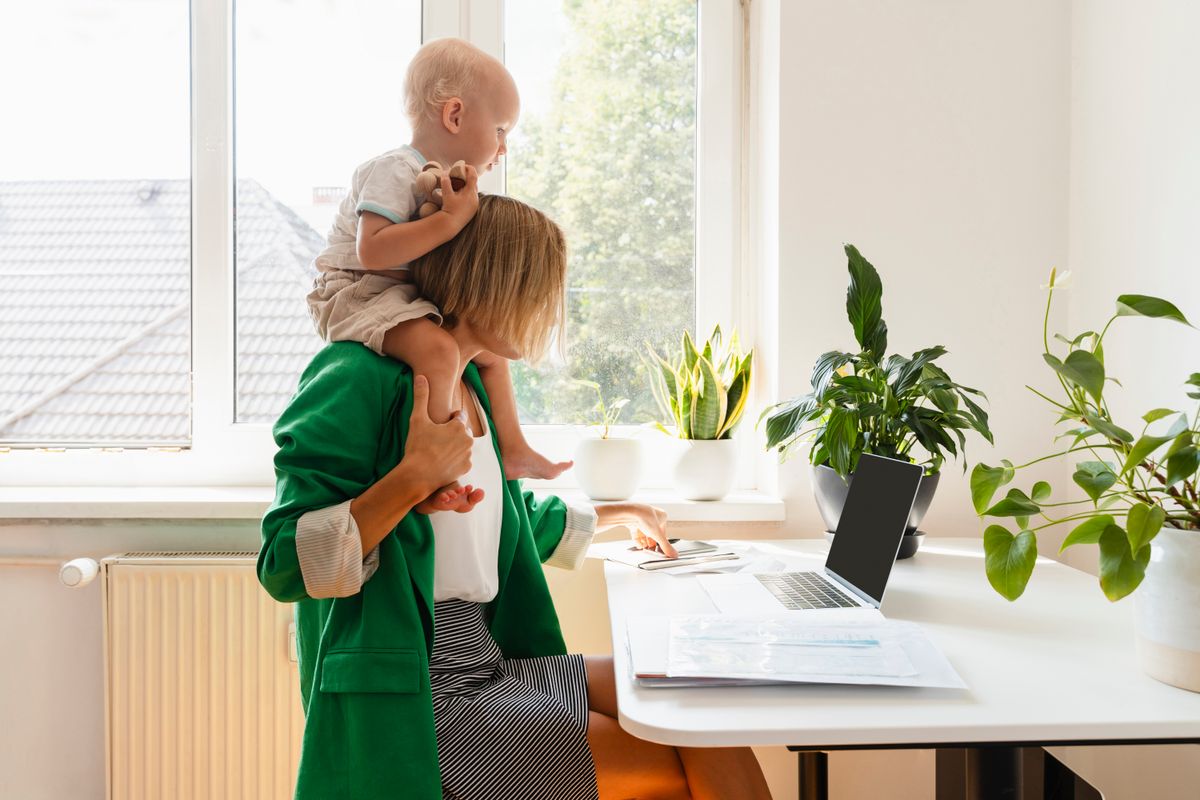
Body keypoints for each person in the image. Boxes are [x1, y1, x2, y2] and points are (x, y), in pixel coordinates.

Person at [260, 195, 772, 799]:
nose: (549, 313)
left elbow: (492, 519)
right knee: (673, 760)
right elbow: (284, 563)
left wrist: (620, 513)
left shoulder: (472, 384)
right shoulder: (356, 374)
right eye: (539, 291)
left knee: (699, 698)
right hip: (422, 692)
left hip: (487, 658)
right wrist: (411, 478)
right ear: (493, 285)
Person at [306, 36, 568, 515]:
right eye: (501, 129)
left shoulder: (443, 180)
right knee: (441, 349)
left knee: (491, 355)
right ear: (454, 115)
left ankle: (513, 447)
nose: (503, 148)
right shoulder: (391, 168)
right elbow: (373, 248)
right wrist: (449, 222)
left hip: (395, 293)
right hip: (356, 292)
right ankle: (432, 467)